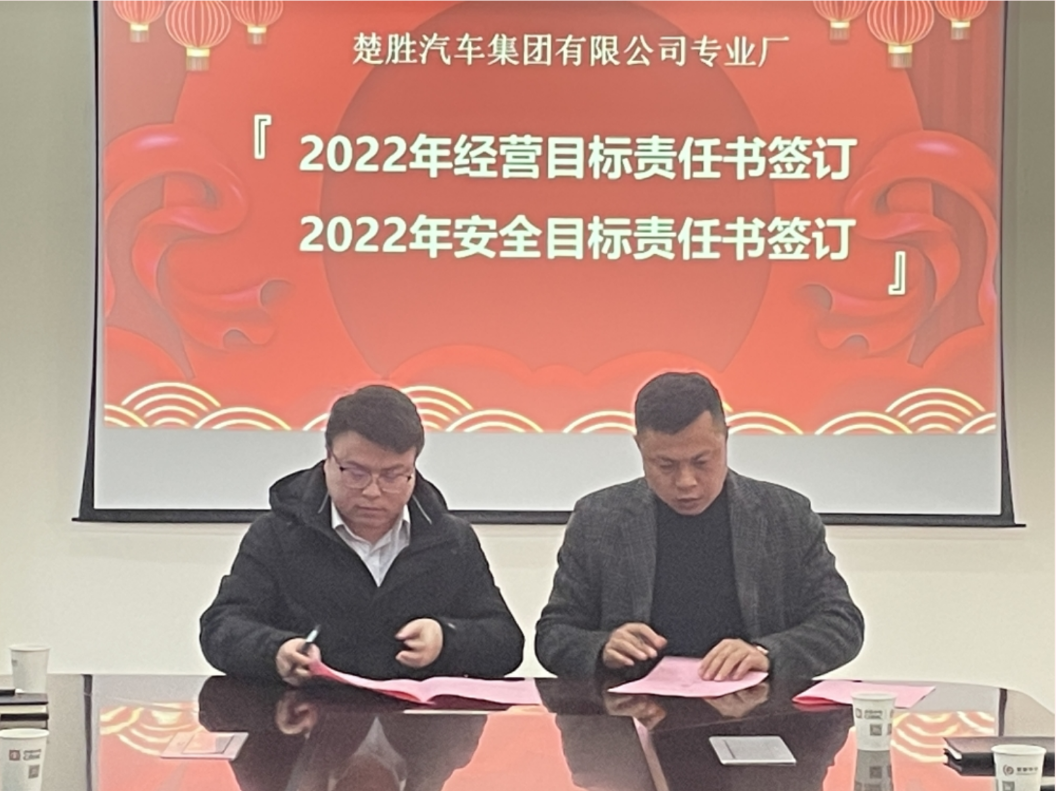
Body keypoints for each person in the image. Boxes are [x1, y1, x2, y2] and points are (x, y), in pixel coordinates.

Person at [535, 372, 864, 681]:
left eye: (702, 461)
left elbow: (841, 624)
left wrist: (766, 653)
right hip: (631, 711)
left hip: (757, 710)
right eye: (665, 465)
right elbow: (553, 635)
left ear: (725, 439)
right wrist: (602, 647)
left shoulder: (784, 515)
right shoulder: (598, 518)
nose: (686, 482)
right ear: (639, 447)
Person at [200, 384, 524, 684]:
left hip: (415, 722)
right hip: (307, 716)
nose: (372, 491)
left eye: (393, 475)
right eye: (356, 473)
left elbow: (506, 643)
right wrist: (276, 651)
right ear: (328, 457)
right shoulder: (277, 534)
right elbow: (221, 627)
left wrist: (446, 638)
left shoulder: (451, 540)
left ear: (413, 467)